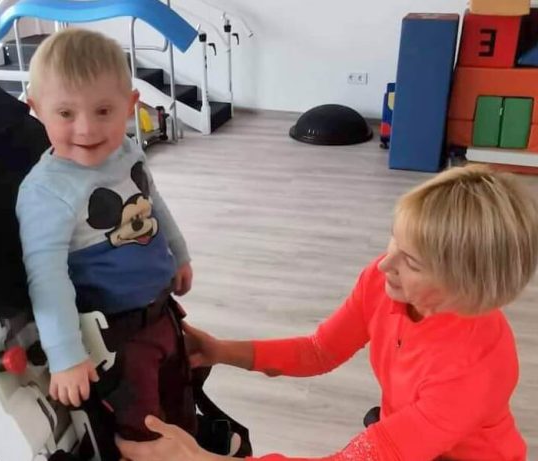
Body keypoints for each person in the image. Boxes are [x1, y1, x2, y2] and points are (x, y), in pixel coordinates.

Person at [116, 164, 537, 460]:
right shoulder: (386, 281)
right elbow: (320, 350)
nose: (385, 264)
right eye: (394, 239)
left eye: (411, 262)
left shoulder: (472, 370)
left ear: (463, 285)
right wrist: (223, 350)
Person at [15, 27, 196, 443]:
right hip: (115, 336)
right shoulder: (46, 191)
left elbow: (153, 203)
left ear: (130, 105)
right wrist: (65, 355)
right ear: (36, 109)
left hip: (162, 311)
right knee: (144, 433)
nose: (86, 129)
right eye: (65, 114)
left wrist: (179, 254)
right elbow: (47, 277)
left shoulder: (127, 150)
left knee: (181, 405)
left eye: (103, 111)